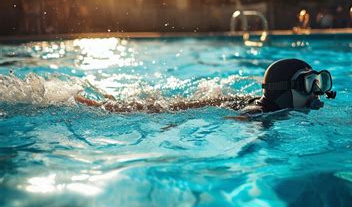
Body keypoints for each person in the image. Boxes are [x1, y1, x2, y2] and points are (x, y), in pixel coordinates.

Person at [74, 59, 336, 116]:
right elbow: (242, 121)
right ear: (284, 90)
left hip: (239, 97)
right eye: (307, 83)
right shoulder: (256, 114)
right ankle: (103, 104)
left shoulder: (278, 107)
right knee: (152, 110)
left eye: (319, 82)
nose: (316, 90)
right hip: (221, 105)